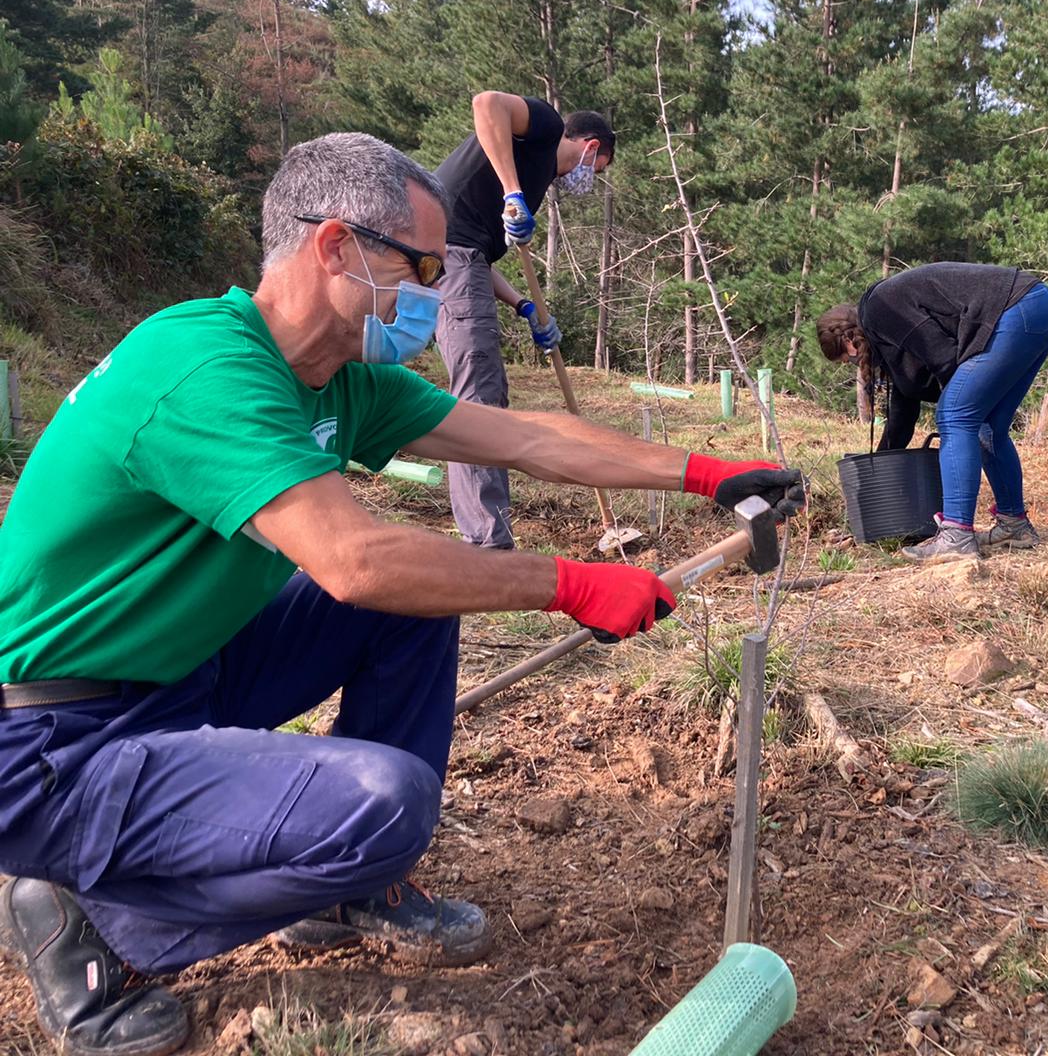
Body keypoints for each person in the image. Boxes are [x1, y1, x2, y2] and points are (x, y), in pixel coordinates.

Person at [0, 133, 803, 1056]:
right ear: (335, 247)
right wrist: (567, 582)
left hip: (179, 675)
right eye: (421, 267)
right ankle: (97, 929)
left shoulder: (333, 377)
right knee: (386, 802)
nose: (435, 291)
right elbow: (354, 560)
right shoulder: (205, 369)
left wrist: (710, 472)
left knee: (418, 608)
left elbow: (527, 439)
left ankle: (344, 889)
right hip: (54, 745)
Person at [434, 92, 615, 549]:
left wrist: (523, 305)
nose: (590, 181)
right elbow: (485, 103)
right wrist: (512, 192)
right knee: (479, 394)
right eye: (598, 169)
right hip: (446, 255)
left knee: (486, 389)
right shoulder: (547, 127)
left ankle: (488, 532)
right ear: (590, 147)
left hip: (462, 258)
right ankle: (488, 544)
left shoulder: (537, 178)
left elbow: (474, 251)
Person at [816, 262, 1048, 561]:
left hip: (1013, 310)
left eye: (846, 360)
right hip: (1039, 309)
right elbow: (903, 411)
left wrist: (957, 407)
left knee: (956, 416)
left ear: (849, 342)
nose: (853, 366)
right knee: (988, 425)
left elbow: (945, 357)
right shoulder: (888, 332)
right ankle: (1015, 526)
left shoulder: (880, 309)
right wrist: (879, 469)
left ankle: (956, 536)